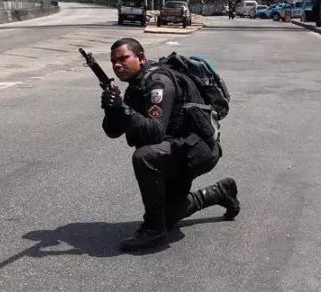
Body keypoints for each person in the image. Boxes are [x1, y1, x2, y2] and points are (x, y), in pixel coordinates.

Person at [100, 38, 240, 251]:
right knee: (169, 216)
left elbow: (155, 132)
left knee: (144, 156)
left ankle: (153, 231)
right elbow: (113, 131)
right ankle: (220, 192)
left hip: (196, 151)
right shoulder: (136, 86)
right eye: (113, 61)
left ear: (141, 57)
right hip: (175, 152)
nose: (117, 65)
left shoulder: (158, 83)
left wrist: (124, 110)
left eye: (123, 58)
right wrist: (112, 108)